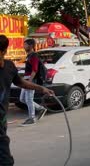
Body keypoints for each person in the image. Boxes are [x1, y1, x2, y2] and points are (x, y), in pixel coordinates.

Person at [0, 35, 54, 165]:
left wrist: (41, 88)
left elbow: (21, 82)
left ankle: (33, 115)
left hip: (1, 120)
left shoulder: (9, 66)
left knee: (4, 158)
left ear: (4, 51)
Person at [20, 39, 48, 126]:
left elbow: (34, 70)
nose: (23, 46)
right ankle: (40, 109)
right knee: (22, 99)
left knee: (28, 99)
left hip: (30, 79)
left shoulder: (34, 56)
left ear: (31, 46)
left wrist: (29, 82)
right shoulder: (29, 56)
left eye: (25, 45)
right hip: (26, 79)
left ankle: (31, 118)